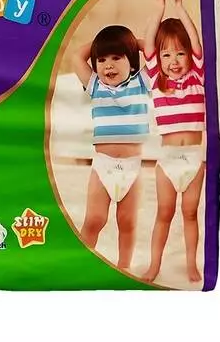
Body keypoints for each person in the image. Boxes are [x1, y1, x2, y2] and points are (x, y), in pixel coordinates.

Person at [72, 25, 150, 270]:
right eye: (102, 59)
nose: (108, 65)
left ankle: (123, 268)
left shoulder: (142, 82)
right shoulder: (95, 85)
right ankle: (81, 264)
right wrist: (101, 43)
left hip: (132, 168)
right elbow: (77, 56)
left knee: (127, 222)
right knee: (94, 219)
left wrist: (134, 43)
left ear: (132, 62)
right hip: (103, 166)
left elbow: (156, 54)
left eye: (117, 57)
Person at [142, 0, 205, 283]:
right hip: (167, 161)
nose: (174, 61)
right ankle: (154, 265)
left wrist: (180, 10)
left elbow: (195, 41)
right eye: (167, 54)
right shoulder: (157, 79)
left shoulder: (197, 77)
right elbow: (149, 45)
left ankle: (192, 264)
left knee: (190, 214)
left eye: (180, 53)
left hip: (194, 160)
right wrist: (160, 7)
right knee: (164, 214)